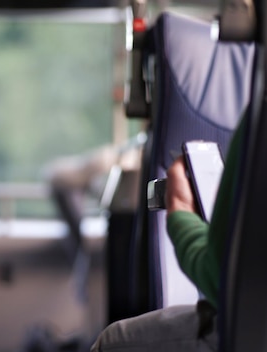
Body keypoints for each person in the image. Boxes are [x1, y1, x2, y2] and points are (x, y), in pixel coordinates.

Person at [90, 118, 247, 351]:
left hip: (255, 328)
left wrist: (181, 213)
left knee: (113, 342)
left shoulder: (265, 118)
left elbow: (219, 277)